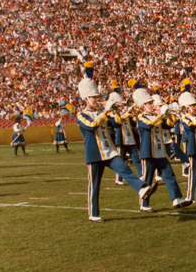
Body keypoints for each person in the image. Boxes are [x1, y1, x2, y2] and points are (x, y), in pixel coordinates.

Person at [76, 62, 157, 222]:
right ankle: (94, 213)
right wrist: (106, 111)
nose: (97, 99)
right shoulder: (81, 115)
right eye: (94, 97)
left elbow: (117, 123)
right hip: (94, 154)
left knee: (125, 169)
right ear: (86, 99)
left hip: (109, 151)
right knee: (95, 185)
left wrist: (122, 112)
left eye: (98, 97)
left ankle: (141, 189)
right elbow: (92, 126)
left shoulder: (102, 111)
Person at [132, 86, 187, 209]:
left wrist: (172, 117)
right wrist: (161, 114)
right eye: (150, 103)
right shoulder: (141, 117)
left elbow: (167, 126)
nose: (153, 105)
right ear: (143, 106)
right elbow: (150, 125)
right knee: (147, 179)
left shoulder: (155, 116)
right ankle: (144, 204)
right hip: (148, 153)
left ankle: (176, 199)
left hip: (160, 151)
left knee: (169, 175)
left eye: (152, 103)